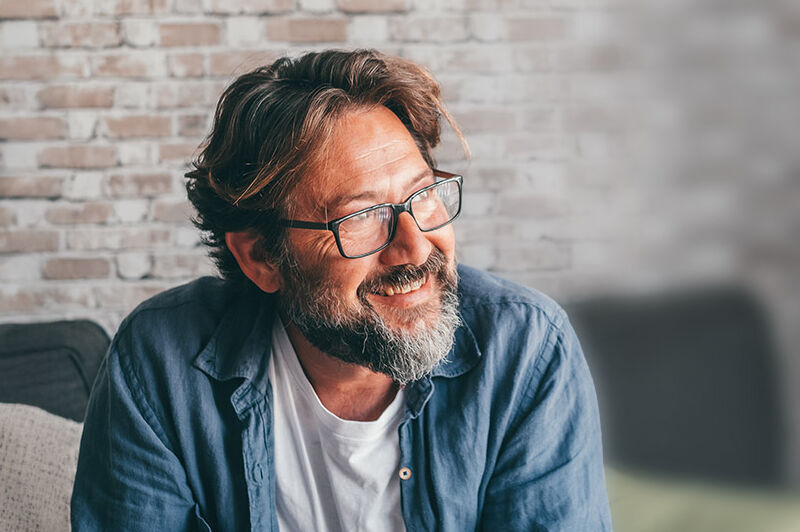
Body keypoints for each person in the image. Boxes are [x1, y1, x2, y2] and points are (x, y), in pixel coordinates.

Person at [71, 49, 612, 531]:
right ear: (261, 257)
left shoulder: (526, 349)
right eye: (363, 217)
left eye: (423, 196)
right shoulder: (161, 362)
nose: (417, 248)